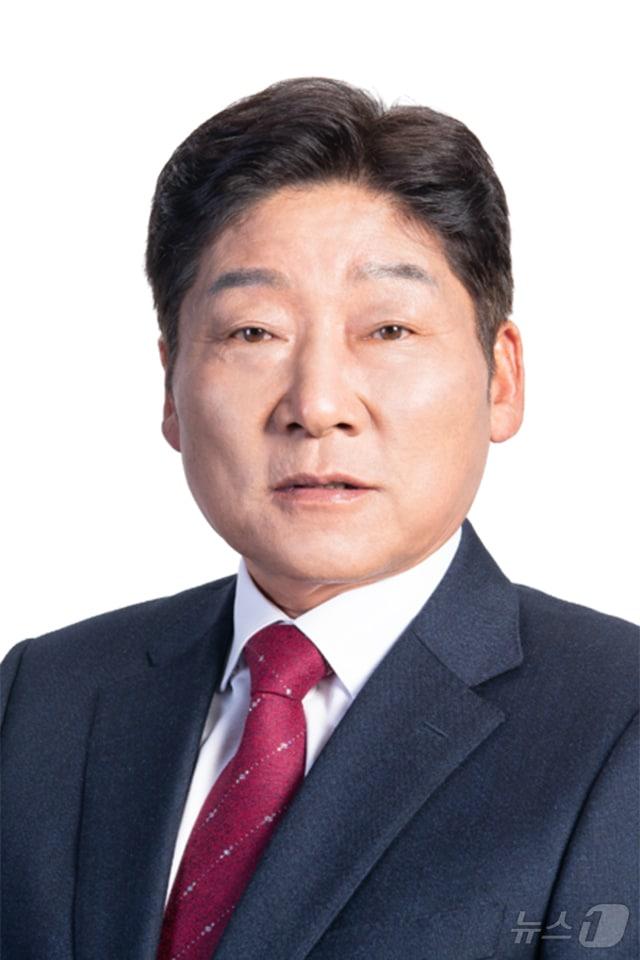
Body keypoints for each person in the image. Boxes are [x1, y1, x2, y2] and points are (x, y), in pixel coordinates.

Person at [1, 77, 637, 960]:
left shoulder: (618, 719)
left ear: (501, 378)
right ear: (171, 388)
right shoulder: (44, 698)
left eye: (389, 330)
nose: (318, 404)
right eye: (252, 332)